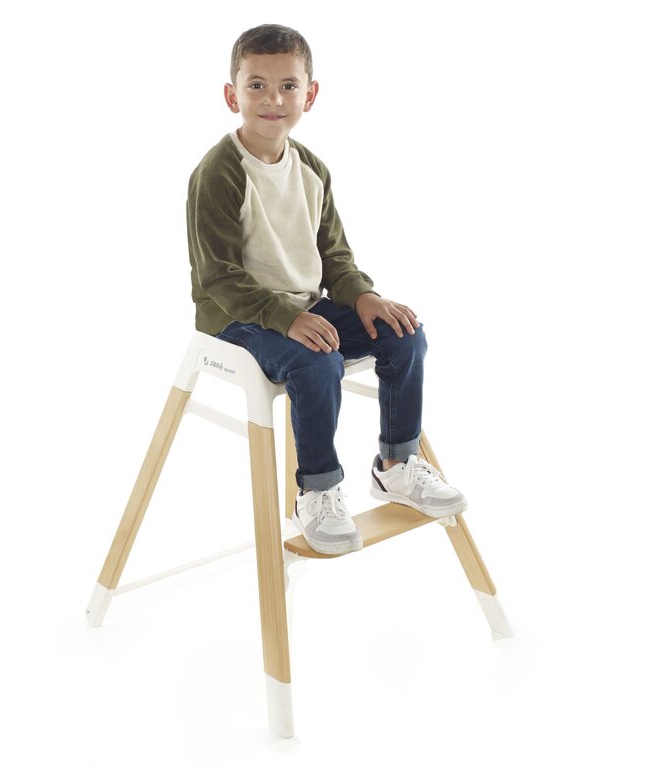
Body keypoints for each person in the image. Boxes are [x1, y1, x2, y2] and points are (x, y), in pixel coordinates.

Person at [186, 24, 467, 555]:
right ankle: (316, 490)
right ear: (232, 95)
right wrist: (287, 319)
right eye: (256, 85)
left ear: (310, 95)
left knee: (403, 334)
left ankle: (396, 463)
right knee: (317, 362)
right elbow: (218, 276)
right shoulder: (219, 172)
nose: (273, 99)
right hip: (236, 317)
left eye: (288, 86)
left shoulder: (311, 168)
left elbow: (334, 254)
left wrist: (361, 296)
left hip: (304, 305)